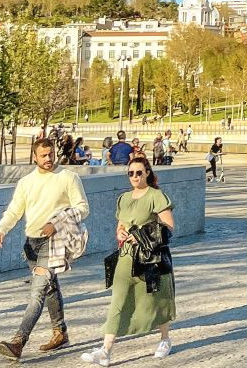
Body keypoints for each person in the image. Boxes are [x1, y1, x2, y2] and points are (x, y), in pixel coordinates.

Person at [0, 135, 89, 359]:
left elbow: (83, 208)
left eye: (51, 154)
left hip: (54, 243)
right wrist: (1, 230)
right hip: (31, 245)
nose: (48, 158)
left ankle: (18, 341)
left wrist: (56, 223)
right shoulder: (26, 182)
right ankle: (60, 333)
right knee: (50, 288)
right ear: (34, 157)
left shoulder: (68, 177)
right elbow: (15, 210)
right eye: (43, 155)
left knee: (37, 293)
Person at [79, 153, 176, 364]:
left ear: (147, 173)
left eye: (139, 173)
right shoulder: (123, 198)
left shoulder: (156, 196)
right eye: (131, 173)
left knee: (157, 298)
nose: (134, 176)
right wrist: (120, 233)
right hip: (126, 256)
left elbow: (169, 226)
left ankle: (165, 339)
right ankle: (105, 350)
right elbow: (121, 225)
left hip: (149, 258)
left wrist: (140, 234)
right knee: (118, 300)